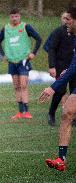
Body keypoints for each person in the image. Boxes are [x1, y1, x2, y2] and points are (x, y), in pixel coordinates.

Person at [39, 6, 76, 172]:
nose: (65, 23)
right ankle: (61, 159)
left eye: (69, 20)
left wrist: (52, 88)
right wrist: (67, 70)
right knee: (67, 112)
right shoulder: (72, 36)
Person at [0, 8, 42, 119]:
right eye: (12, 16)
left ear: (19, 16)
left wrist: (33, 53)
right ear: (9, 17)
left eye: (16, 16)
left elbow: (39, 39)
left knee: (23, 85)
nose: (14, 18)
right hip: (12, 61)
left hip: (24, 60)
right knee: (16, 86)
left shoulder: (26, 27)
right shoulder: (6, 29)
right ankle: (20, 112)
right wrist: (3, 55)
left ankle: (26, 111)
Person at [43, 12, 76, 127]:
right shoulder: (58, 32)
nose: (66, 21)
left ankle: (74, 117)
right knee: (60, 90)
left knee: (74, 90)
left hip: (73, 66)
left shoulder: (74, 32)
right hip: (61, 66)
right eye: (64, 18)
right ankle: (51, 113)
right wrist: (52, 66)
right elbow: (50, 48)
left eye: (69, 18)